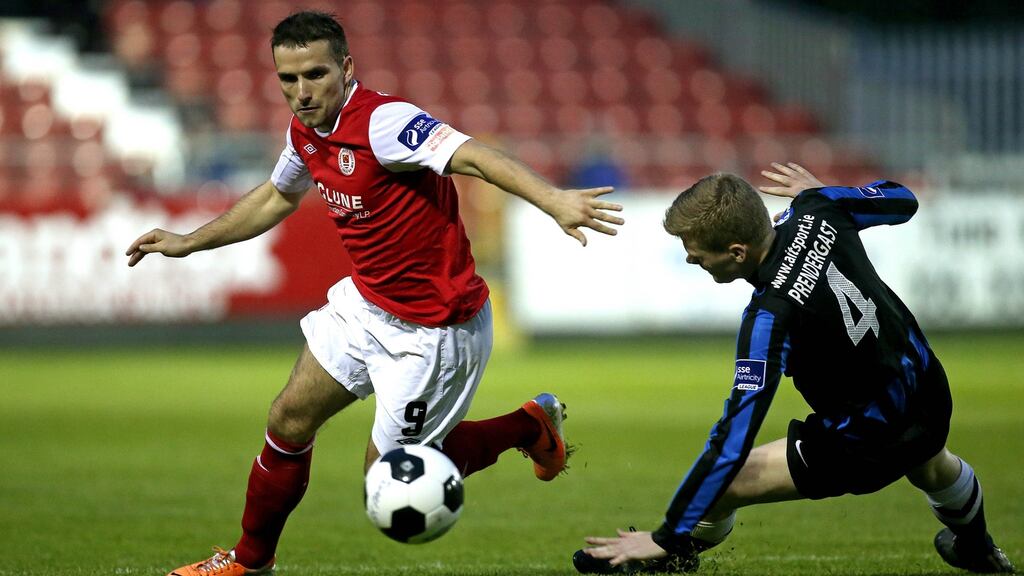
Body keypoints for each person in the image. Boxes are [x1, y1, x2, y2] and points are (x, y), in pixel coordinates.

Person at [125, 11, 624, 576]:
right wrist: (190, 242)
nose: (301, 92)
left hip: (434, 331)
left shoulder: (384, 122)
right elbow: (275, 197)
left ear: (346, 67)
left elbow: (475, 156)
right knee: (288, 419)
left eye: (314, 74)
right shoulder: (304, 132)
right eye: (287, 79)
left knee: (382, 485)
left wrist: (552, 199)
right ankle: (248, 562)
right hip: (367, 307)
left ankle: (527, 425)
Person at [573, 163, 1014, 574]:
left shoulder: (771, 315)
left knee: (723, 482)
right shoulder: (818, 209)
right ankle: (977, 547)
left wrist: (667, 532)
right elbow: (903, 200)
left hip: (865, 441)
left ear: (737, 251)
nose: (691, 260)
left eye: (696, 252)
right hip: (926, 390)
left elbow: (735, 435)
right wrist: (823, 191)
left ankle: (674, 555)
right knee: (931, 464)